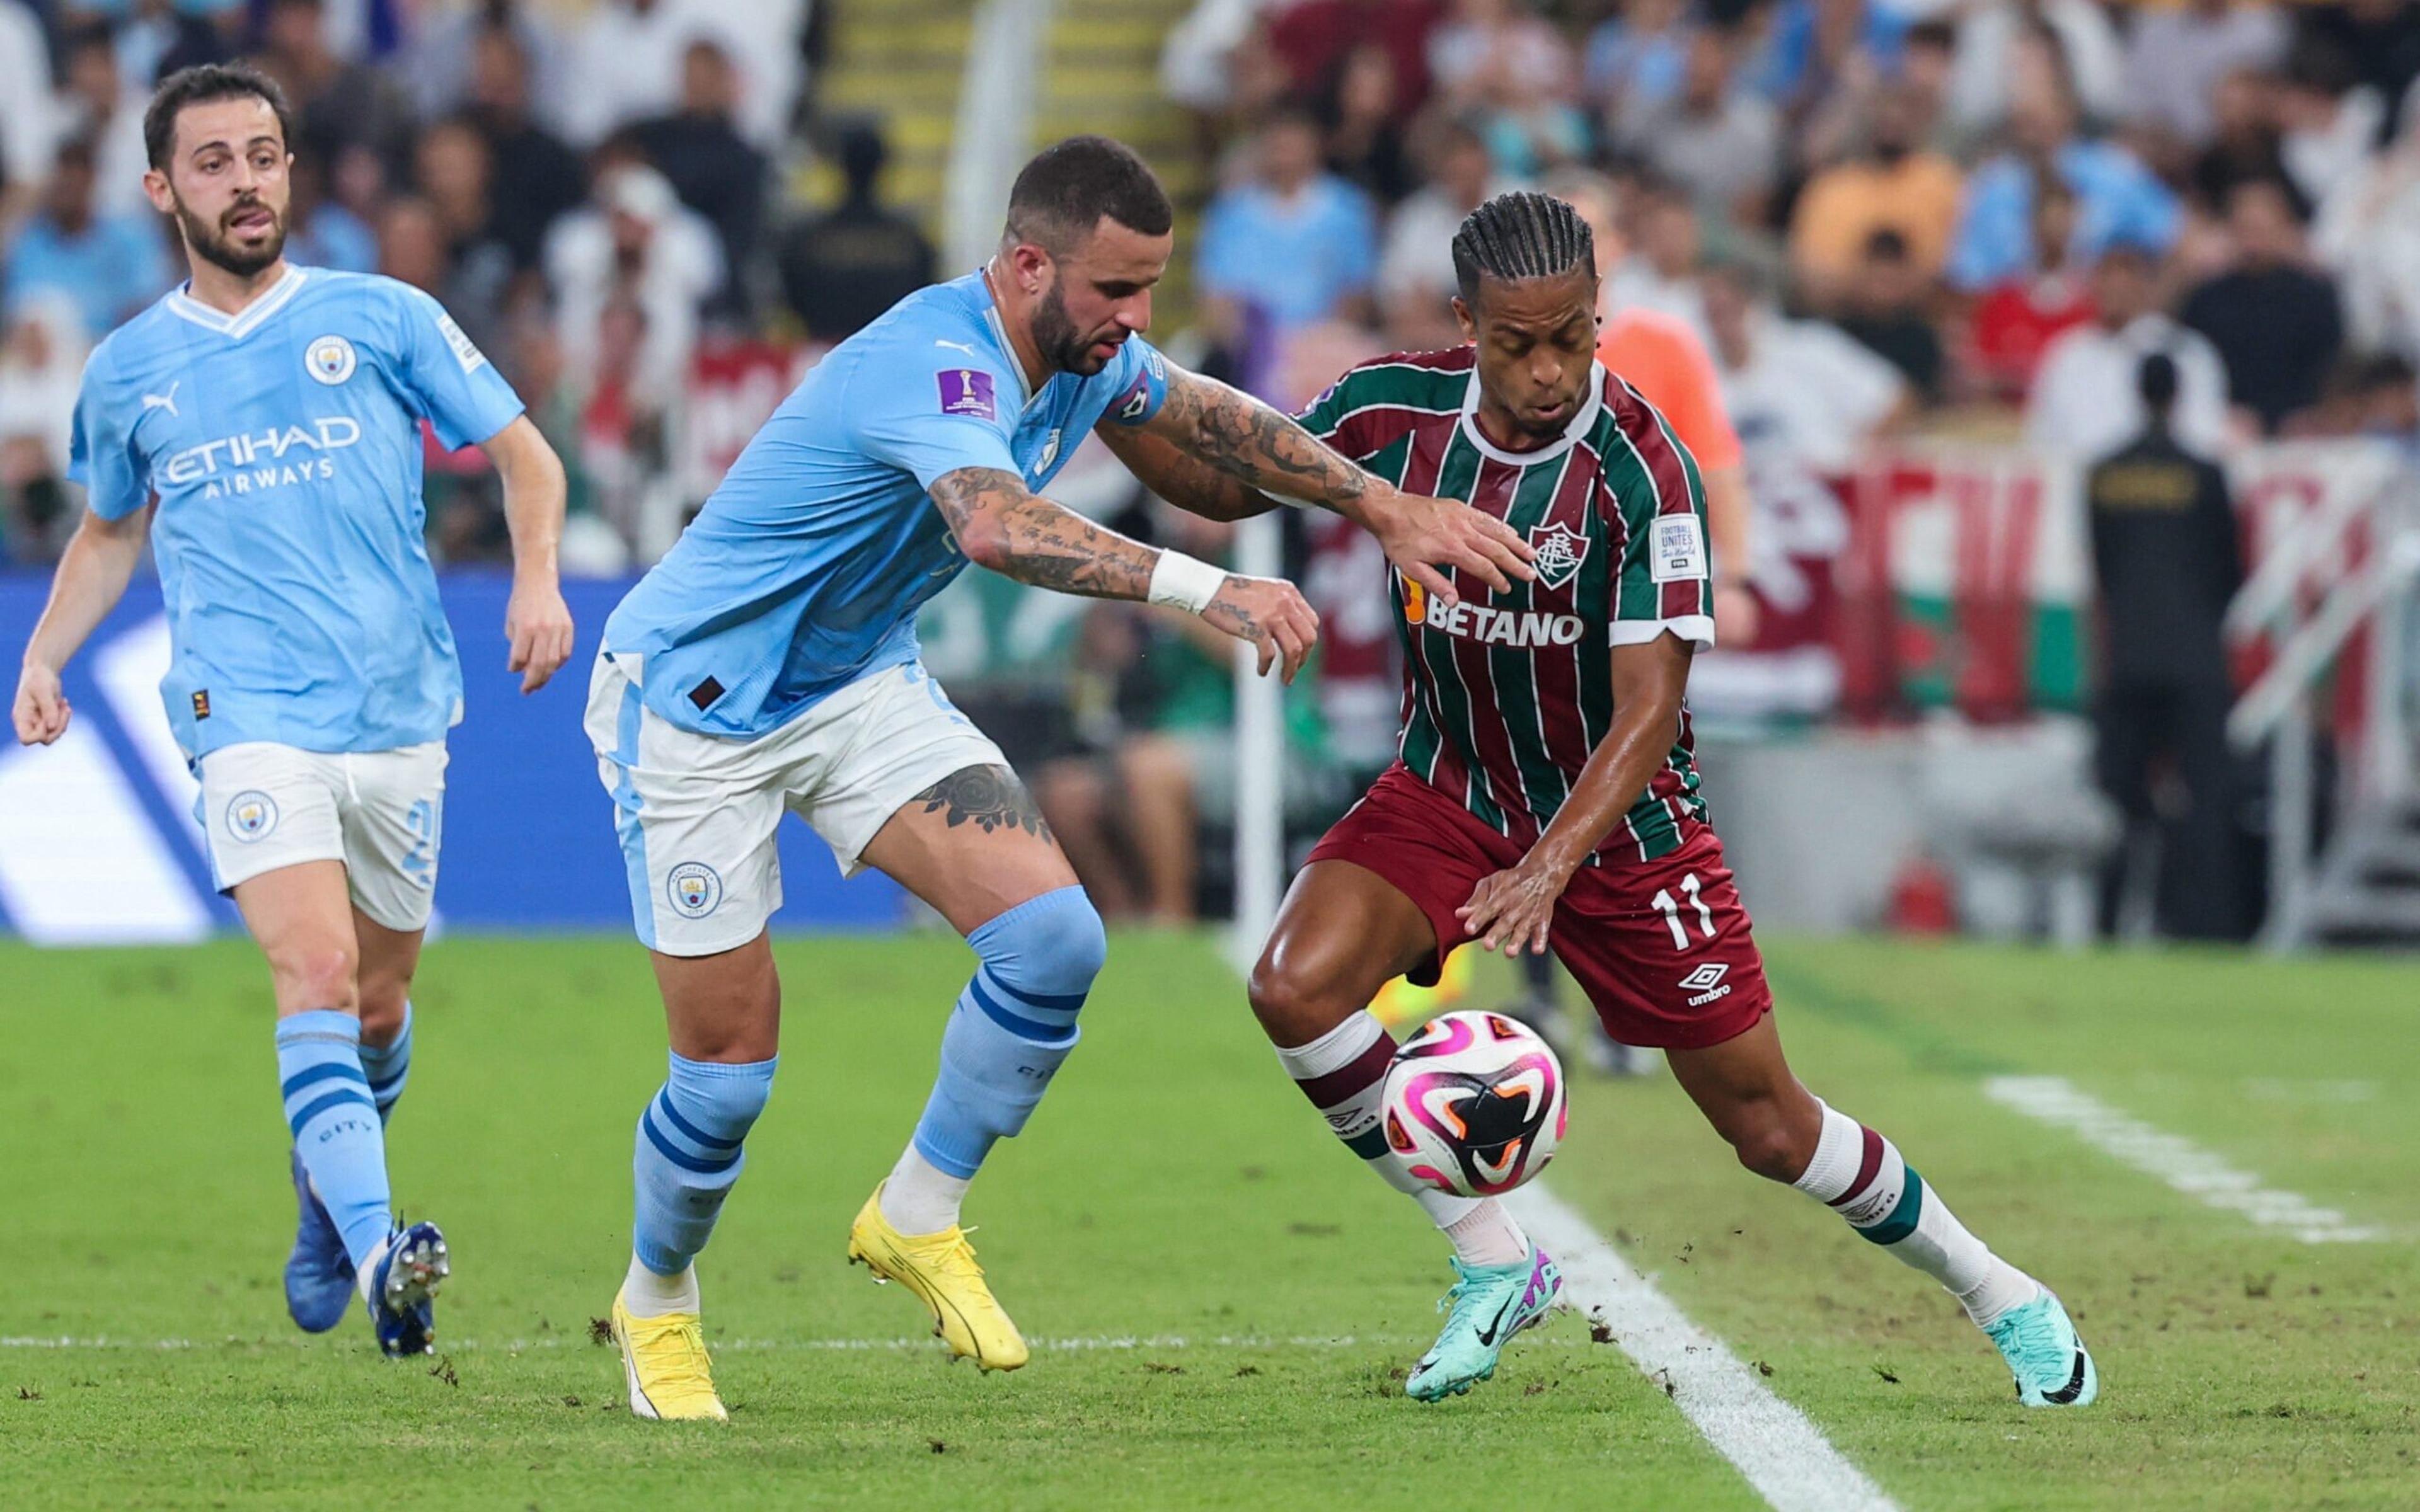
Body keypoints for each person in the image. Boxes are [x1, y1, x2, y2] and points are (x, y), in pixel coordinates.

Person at [584, 134, 1533, 1421]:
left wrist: (1378, 504)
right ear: (1028, 263)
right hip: (695, 705)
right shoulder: (940, 358)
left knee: (1052, 944)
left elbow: (1206, 429)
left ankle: (917, 1214)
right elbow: (990, 523)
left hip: (855, 685)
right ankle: (659, 1299)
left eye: (1151, 291)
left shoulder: (1084, 354)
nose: (1134, 322)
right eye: (1114, 293)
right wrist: (1210, 589)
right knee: (727, 1077)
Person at [1165, 191, 2098, 1408]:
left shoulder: (1644, 470)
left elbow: (1650, 708)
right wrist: (1115, 392)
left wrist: (1550, 870)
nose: (1550, 370)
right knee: (1292, 986)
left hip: (1627, 832)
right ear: (1465, 326)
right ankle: (1493, 1260)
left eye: (1573, 336)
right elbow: (1233, 483)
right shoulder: (1391, 406)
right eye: (1518, 343)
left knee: (1769, 1129)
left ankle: (2003, 1295)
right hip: (1445, 791)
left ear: (1599, 316)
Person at [8, 64, 575, 1358]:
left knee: (374, 1010)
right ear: (161, 188)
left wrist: (538, 578)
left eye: (262, 155)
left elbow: (526, 454)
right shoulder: (131, 367)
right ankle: (385, 1259)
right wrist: (45, 660)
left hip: (399, 711)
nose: (246, 180)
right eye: (213, 162)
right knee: (310, 972)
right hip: (242, 710)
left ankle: (327, 1204)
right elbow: (107, 531)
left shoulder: (382, 317)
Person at [2087, 353, 2247, 940]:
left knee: (2118, 802)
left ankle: (2107, 921)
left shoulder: (2104, 474)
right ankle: (2203, 928)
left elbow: (2101, 567)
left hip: (2126, 657)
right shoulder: (2204, 474)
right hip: (2194, 655)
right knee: (2205, 800)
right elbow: (2229, 567)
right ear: (2179, 396)